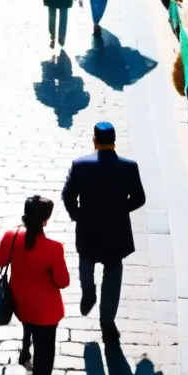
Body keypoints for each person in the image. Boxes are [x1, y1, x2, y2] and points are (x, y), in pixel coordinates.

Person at [62, 122, 145, 342]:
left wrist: (77, 215)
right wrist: (120, 209)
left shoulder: (80, 165)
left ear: (94, 141)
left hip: (88, 228)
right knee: (113, 274)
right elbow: (139, 198)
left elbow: (67, 196)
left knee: (86, 265)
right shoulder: (129, 167)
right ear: (114, 141)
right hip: (116, 231)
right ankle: (107, 322)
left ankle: (88, 292)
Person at [0, 196, 69, 375]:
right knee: (45, 355)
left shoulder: (11, 237)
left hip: (20, 305)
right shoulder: (54, 248)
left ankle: (25, 350)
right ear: (45, 221)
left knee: (29, 324)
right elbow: (63, 282)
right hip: (46, 312)